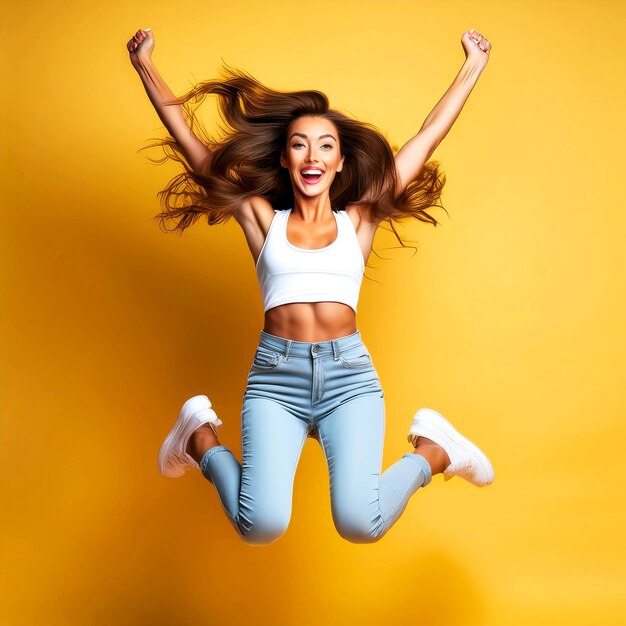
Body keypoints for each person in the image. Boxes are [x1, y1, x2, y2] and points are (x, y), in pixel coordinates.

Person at [128, 27, 495, 545]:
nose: (311, 155)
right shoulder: (261, 219)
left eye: (325, 145)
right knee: (261, 525)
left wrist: (472, 66)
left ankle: (434, 450)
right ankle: (199, 440)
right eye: (299, 144)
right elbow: (195, 149)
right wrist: (145, 65)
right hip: (277, 380)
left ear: (340, 162)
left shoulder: (360, 219)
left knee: (359, 523)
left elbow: (426, 136)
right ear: (285, 159)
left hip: (349, 379)